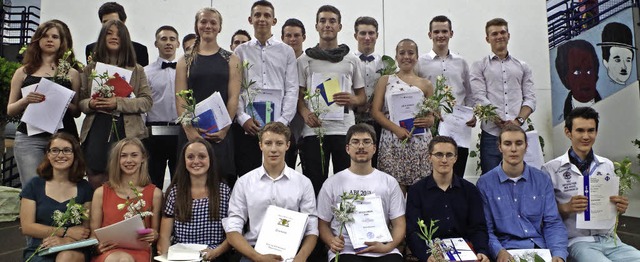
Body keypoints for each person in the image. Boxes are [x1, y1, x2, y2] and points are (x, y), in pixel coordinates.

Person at [542, 107, 640, 261]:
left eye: (591, 130)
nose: (586, 136)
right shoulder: (551, 169)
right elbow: (541, 213)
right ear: (568, 132)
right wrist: (565, 207)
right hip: (577, 241)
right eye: (580, 130)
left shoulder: (606, 165)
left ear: (596, 132)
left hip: (609, 240)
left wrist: (620, 207)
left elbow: (611, 207)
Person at [223, 122, 318, 262]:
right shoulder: (244, 182)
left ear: (287, 145)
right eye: (268, 143)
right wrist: (258, 258)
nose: (273, 149)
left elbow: (311, 228)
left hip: (292, 254)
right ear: (260, 145)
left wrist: (301, 258)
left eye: (279, 143)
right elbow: (233, 227)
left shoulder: (303, 183)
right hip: (253, 253)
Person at [297, 5, 366, 195]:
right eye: (323, 21)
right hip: (314, 131)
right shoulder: (305, 60)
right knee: (315, 183)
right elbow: (298, 95)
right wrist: (305, 113)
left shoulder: (351, 59)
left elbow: (362, 98)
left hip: (343, 129)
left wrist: (352, 98)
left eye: (332, 21)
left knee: (345, 183)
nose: (327, 25)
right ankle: (318, 224)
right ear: (317, 26)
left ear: (339, 26)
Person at [476, 125, 567, 262]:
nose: (513, 149)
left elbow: (552, 223)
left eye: (519, 143)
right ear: (500, 147)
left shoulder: (542, 179)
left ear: (526, 146)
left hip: (538, 249)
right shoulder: (485, 184)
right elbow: (486, 229)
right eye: (507, 144)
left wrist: (558, 254)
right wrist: (498, 251)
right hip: (506, 251)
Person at [79, 19, 153, 189]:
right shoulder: (90, 68)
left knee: (126, 179)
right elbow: (80, 102)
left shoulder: (137, 69)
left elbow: (146, 101)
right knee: (96, 177)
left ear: (125, 39)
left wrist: (117, 103)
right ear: (102, 38)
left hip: (126, 128)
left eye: (118, 34)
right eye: (109, 33)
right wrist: (91, 104)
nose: (114, 37)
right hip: (97, 127)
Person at [7, 20, 81, 187]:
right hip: (29, 138)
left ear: (62, 42)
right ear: (38, 40)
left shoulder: (72, 73)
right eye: (45, 36)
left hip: (63, 137)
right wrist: (26, 100)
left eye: (55, 37)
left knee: (63, 187)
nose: (50, 40)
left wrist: (63, 101)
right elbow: (10, 109)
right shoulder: (23, 72)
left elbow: (77, 111)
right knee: (33, 187)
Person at [317, 123, 405, 262]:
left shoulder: (389, 182)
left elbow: (399, 223)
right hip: (347, 250)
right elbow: (322, 223)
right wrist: (331, 241)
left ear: (374, 148)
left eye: (366, 142)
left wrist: (388, 247)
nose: (361, 146)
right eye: (355, 142)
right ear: (347, 148)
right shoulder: (332, 183)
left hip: (383, 250)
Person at [175, 7, 241, 187]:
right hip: (191, 132)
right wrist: (191, 133)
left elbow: (234, 97)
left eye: (213, 22)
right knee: (190, 184)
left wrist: (225, 129)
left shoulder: (231, 59)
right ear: (197, 26)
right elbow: (180, 99)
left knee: (221, 183)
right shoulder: (185, 60)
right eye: (203, 21)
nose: (208, 26)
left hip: (220, 132)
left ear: (220, 27)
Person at [233, 0, 299, 178]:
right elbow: (235, 89)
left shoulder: (286, 51)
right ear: (250, 19)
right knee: (248, 176)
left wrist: (282, 121)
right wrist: (242, 117)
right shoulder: (240, 52)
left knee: (280, 176)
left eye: (267, 15)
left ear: (274, 21)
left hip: (279, 125)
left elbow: (292, 89)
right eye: (258, 15)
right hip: (248, 127)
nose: (262, 19)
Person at [405, 136, 489, 262]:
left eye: (449, 155)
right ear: (429, 157)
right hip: (431, 251)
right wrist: (426, 256)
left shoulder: (469, 190)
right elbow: (413, 231)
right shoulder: (416, 191)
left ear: (455, 158)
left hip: (465, 250)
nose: (444, 160)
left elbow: (478, 227)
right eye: (439, 154)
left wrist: (482, 251)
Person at [470, 18, 536, 174]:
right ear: (487, 39)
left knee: (522, 178)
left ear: (508, 35)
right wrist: (499, 120)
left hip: (519, 133)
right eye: (494, 34)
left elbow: (530, 98)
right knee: (491, 179)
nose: (499, 36)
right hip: (491, 134)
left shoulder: (522, 66)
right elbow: (479, 97)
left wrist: (517, 121)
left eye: (502, 32)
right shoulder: (479, 66)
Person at [371, 39, 433, 193]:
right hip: (393, 140)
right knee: (394, 191)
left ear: (417, 57)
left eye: (411, 53)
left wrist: (429, 120)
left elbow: (432, 116)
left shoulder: (426, 84)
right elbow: (375, 112)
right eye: (402, 53)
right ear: (396, 57)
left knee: (419, 191)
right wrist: (396, 129)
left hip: (419, 142)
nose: (406, 56)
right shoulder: (385, 81)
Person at [20, 133, 93, 262]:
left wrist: (66, 240)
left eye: (67, 150)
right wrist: (65, 232)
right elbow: (27, 227)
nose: (60, 155)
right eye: (54, 150)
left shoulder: (85, 188)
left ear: (75, 155)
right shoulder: (34, 185)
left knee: (66, 257)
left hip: (73, 248)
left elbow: (85, 230)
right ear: (48, 155)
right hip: (41, 248)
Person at [416, 15, 475, 177]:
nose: (440, 35)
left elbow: (469, 93)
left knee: (456, 173)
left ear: (451, 33)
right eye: (436, 32)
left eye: (444, 31)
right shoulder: (420, 63)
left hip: (458, 127)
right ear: (430, 35)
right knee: (431, 173)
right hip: (432, 125)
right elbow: (416, 93)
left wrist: (472, 115)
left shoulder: (461, 62)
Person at [90, 138, 162, 262]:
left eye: (134, 155)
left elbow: (156, 233)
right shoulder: (101, 193)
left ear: (143, 158)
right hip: (108, 253)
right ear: (117, 160)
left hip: (140, 252)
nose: (129, 160)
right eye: (123, 156)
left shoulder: (155, 193)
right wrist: (97, 247)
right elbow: (93, 234)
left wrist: (153, 235)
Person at [158, 139, 231, 261]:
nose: (196, 161)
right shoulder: (175, 192)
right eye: (190, 157)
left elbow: (233, 234)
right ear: (184, 161)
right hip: (180, 255)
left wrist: (216, 252)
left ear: (210, 160)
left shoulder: (224, 191)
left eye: (202, 156)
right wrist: (165, 257)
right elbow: (164, 236)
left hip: (214, 254)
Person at [144, 25, 180, 189]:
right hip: (153, 133)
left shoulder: (186, 70)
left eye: (172, 39)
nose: (168, 43)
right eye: (163, 39)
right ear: (156, 43)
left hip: (180, 131)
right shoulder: (146, 72)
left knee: (180, 182)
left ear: (178, 43)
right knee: (153, 180)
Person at [353, 16, 383, 167]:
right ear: (355, 36)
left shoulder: (386, 63)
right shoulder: (348, 61)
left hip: (377, 122)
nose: (367, 37)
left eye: (371, 33)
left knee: (375, 163)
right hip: (352, 119)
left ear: (377, 35)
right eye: (362, 33)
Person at [85, 2, 149, 66]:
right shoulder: (91, 48)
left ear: (123, 22)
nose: (109, 25)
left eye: (114, 21)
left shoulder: (140, 50)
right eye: (105, 22)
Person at [281, 17, 307, 168]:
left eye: (296, 35)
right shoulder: (276, 61)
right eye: (288, 35)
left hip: (304, 121)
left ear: (304, 37)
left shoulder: (310, 61)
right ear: (282, 38)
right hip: (283, 119)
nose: (292, 39)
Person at [555, 40, 601, 120]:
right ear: (566, 79)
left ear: (596, 76)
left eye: (589, 71)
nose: (584, 79)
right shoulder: (560, 119)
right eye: (577, 72)